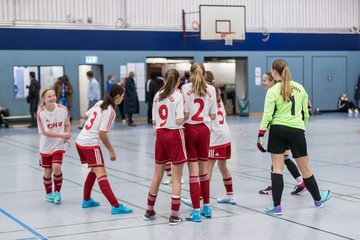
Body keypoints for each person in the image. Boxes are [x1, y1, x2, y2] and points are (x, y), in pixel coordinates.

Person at [257, 59, 331, 215]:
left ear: (275, 72)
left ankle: (277, 207)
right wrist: (301, 128)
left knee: (277, 168)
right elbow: (305, 114)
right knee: (305, 168)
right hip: (297, 130)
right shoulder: (300, 88)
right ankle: (318, 200)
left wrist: (261, 134)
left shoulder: (273, 90)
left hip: (277, 129)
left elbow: (268, 115)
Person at [76, 84, 133, 215]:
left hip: (80, 141)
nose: (123, 99)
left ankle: (86, 200)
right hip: (90, 144)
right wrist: (111, 150)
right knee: (101, 174)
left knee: (94, 170)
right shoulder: (111, 111)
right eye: (122, 96)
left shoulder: (100, 103)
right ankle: (116, 206)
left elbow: (86, 115)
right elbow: (102, 133)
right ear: (117, 96)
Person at [143, 69, 186, 225]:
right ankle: (174, 215)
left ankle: (149, 210)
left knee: (157, 175)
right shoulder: (178, 96)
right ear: (178, 81)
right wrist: (186, 116)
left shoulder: (157, 95)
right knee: (176, 178)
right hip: (174, 135)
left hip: (160, 135)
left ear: (164, 80)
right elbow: (180, 120)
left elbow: (154, 121)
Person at [258, 72, 307, 195]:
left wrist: (261, 133)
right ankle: (300, 182)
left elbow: (269, 115)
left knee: (278, 160)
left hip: (281, 130)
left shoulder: (274, 93)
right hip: (289, 129)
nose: (263, 83)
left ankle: (277, 186)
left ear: (272, 81)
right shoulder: (280, 91)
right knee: (283, 158)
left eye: (265, 80)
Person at [181, 63, 217, 222]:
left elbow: (185, 113)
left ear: (190, 73)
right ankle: (207, 207)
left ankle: (196, 211)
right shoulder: (211, 89)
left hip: (190, 130)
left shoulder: (184, 88)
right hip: (205, 131)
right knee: (204, 172)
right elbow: (214, 115)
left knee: (193, 173)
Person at [204, 71, 236, 204]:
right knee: (223, 166)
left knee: (207, 168)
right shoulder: (216, 94)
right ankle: (230, 196)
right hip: (225, 134)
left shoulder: (207, 95)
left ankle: (201, 199)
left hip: (216, 136)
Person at [36, 87, 71, 204]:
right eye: (49, 96)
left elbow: (67, 124)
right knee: (47, 171)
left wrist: (67, 134)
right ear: (44, 99)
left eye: (54, 95)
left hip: (58, 145)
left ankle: (57, 192)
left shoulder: (63, 109)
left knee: (56, 167)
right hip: (46, 146)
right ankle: (48, 193)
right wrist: (62, 135)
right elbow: (45, 132)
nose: (52, 98)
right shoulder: (41, 113)